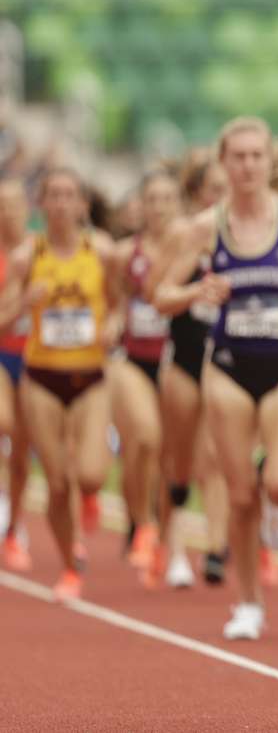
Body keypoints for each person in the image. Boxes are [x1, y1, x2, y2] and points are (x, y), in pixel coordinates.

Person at [157, 117, 278, 640]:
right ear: (223, 162)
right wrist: (196, 294)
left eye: (257, 155)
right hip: (229, 370)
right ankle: (249, 603)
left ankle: (276, 505)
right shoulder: (203, 229)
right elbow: (161, 295)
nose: (248, 165)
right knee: (239, 498)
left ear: (268, 160)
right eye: (237, 156)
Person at [0, 168, 125, 600]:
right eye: (52, 195)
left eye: (68, 195)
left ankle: (86, 500)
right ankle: (71, 565)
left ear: (82, 205)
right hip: (41, 377)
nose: (60, 203)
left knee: (89, 475)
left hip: (90, 376)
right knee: (56, 483)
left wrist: (115, 323)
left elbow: (122, 301)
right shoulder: (26, 257)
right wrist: (22, 302)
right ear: (41, 204)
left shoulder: (102, 251)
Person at [149, 153, 231, 588]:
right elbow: (156, 293)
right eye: (214, 189)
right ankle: (173, 544)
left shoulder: (245, 234)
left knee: (216, 457)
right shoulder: (185, 233)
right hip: (183, 354)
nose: (222, 196)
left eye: (227, 188)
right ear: (199, 193)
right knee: (178, 461)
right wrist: (196, 290)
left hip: (223, 359)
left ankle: (216, 548)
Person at [108, 171, 180, 576]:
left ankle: (162, 531)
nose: (159, 208)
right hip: (134, 358)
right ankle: (142, 523)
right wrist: (115, 318)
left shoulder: (192, 249)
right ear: (141, 207)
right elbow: (115, 298)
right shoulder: (124, 253)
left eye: (168, 199)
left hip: (175, 358)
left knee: (170, 455)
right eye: (152, 199)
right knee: (144, 439)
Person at [0, 178, 32, 571]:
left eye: (13, 205)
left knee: (23, 449)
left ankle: (15, 526)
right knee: (3, 422)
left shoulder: (41, 251)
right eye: (1, 205)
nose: (8, 212)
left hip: (37, 359)